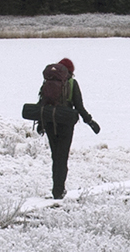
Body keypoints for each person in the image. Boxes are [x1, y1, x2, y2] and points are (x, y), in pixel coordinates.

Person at [31, 56, 100, 199]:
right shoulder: (72, 83)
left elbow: (42, 103)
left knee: (55, 156)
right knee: (62, 157)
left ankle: (56, 189)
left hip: (50, 122)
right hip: (65, 124)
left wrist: (41, 124)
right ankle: (58, 191)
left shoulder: (48, 82)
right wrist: (90, 121)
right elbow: (79, 106)